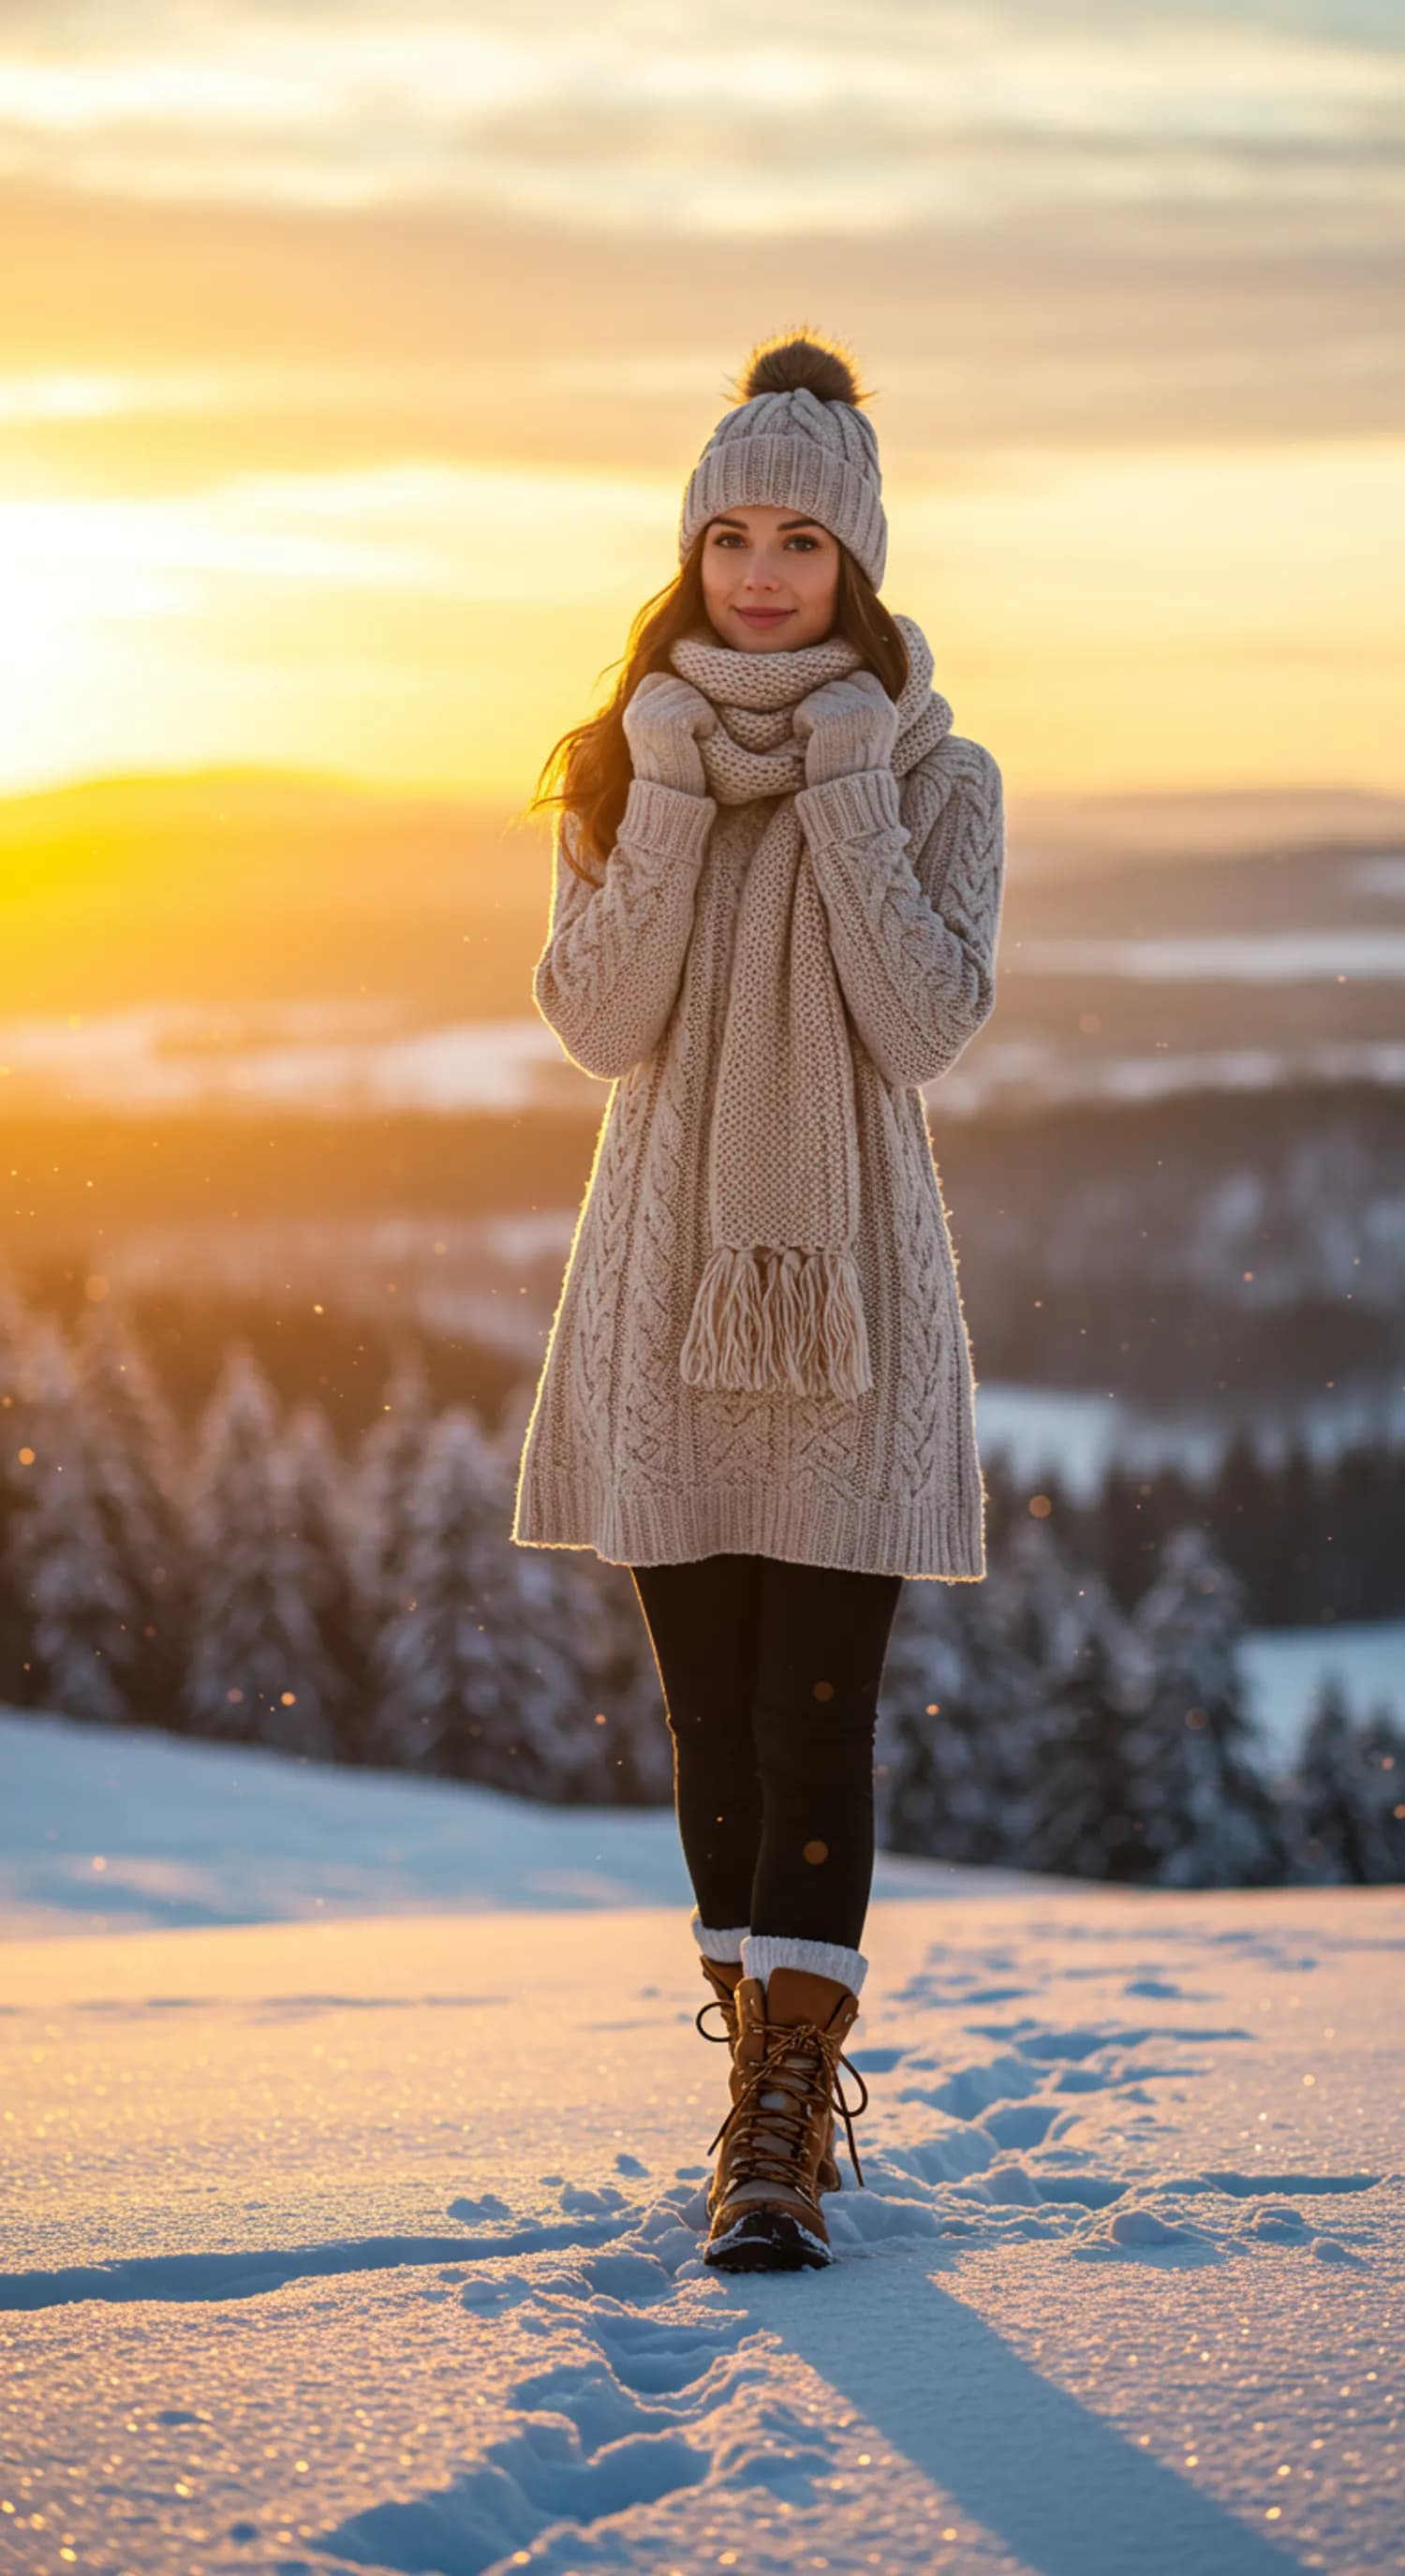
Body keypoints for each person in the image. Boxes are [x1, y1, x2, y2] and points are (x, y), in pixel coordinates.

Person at [510, 328, 1006, 2272]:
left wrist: (850, 792)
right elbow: (595, 1020)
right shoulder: (618, 764)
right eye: (732, 532)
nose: (763, 571)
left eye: (803, 536)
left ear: (857, 559)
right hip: (665, 1302)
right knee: (712, 1731)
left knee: (822, 1725)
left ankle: (783, 2118)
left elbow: (927, 1019)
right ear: (693, 548)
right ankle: (752, 2055)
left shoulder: (941, 774)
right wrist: (663, 805)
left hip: (850, 1312)